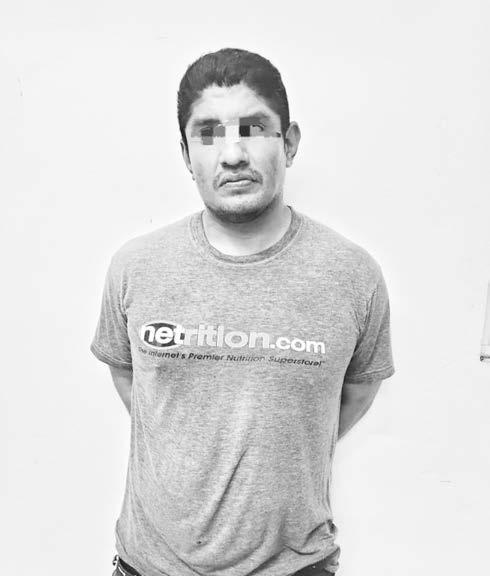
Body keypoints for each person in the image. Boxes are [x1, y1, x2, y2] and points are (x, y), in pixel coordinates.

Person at [91, 47, 396, 576]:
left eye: (253, 129)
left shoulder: (353, 275)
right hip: (148, 566)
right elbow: (132, 380)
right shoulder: (135, 267)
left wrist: (282, 441)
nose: (232, 154)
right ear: (186, 154)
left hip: (295, 566)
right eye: (208, 134)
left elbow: (356, 391)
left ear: (289, 143)